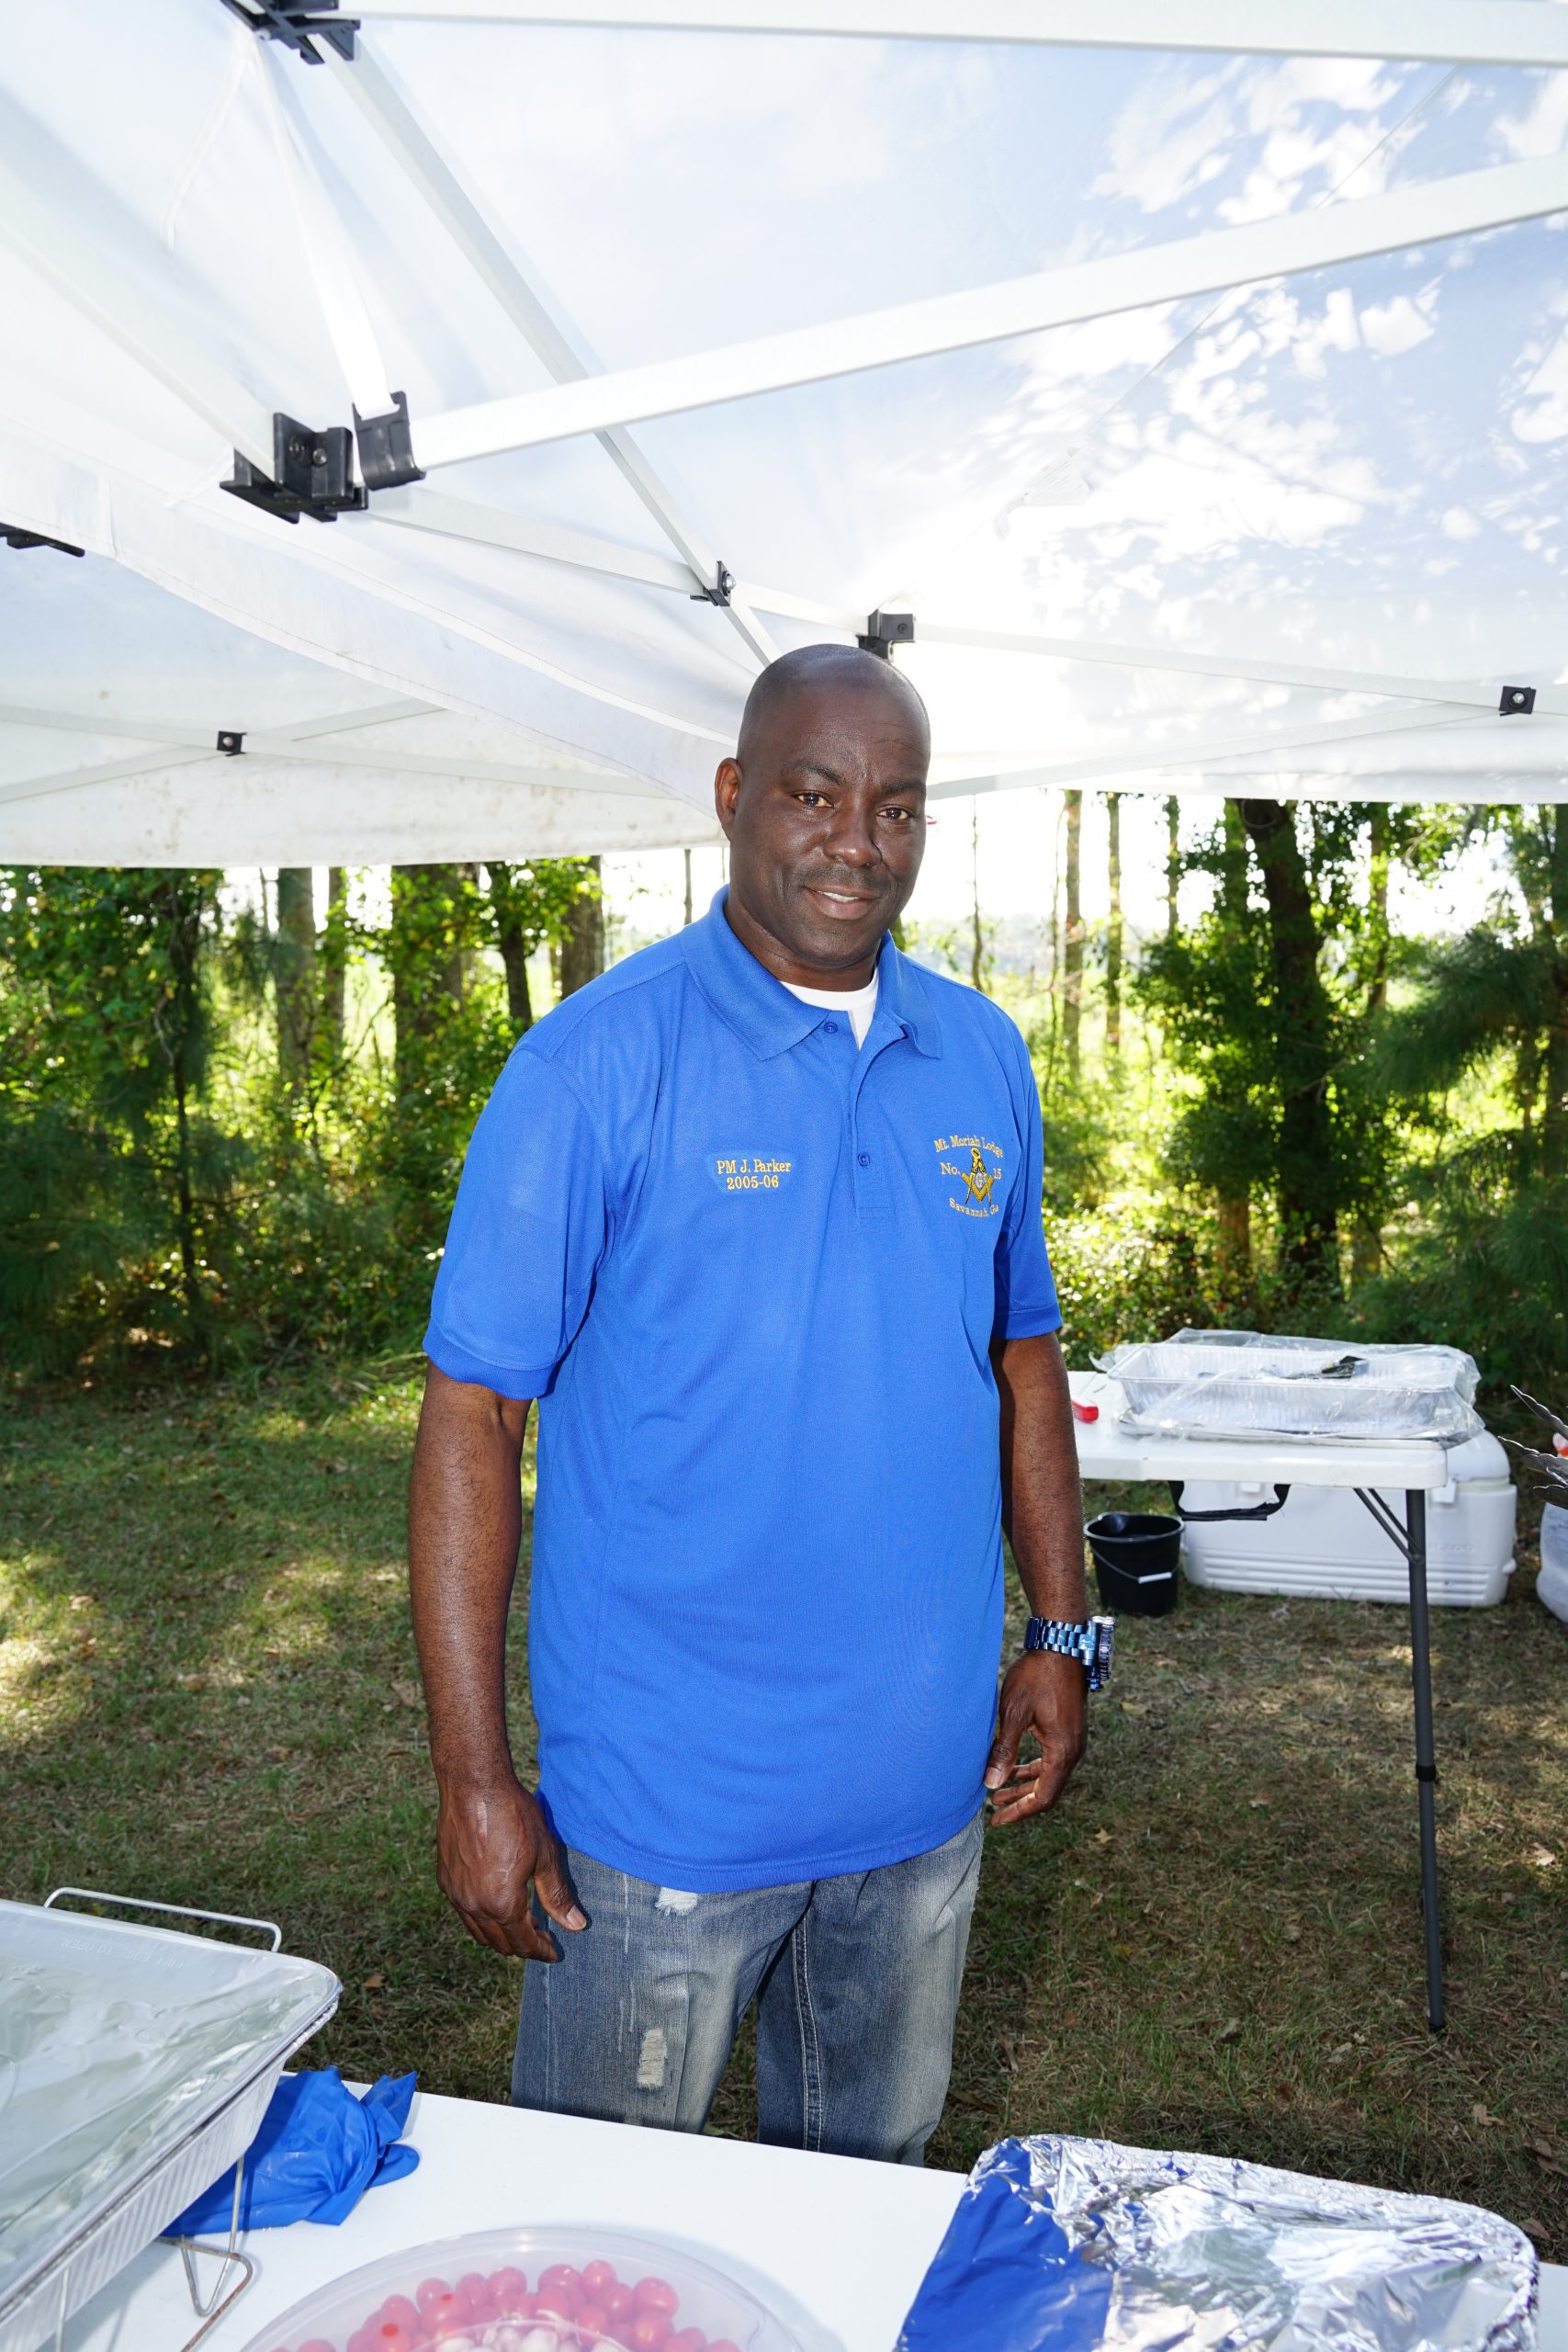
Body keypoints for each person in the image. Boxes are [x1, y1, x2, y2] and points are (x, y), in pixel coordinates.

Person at [410, 642, 1103, 2165]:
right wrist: (474, 1779)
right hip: (662, 1816)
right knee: (599, 2227)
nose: (858, 842)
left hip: (921, 1800)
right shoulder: (595, 1064)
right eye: (814, 794)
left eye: (896, 808)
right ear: (734, 796)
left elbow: (1023, 1354)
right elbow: (474, 1417)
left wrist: (1063, 1633)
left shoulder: (980, 1055)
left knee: (866, 2211)